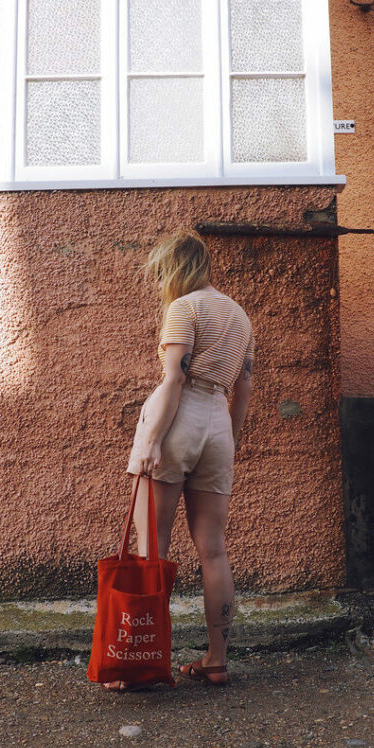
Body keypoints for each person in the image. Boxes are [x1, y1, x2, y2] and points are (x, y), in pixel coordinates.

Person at [105, 231, 253, 691]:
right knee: (213, 548)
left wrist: (150, 441)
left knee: (153, 546)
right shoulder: (240, 316)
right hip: (218, 427)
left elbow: (174, 381)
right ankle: (216, 659)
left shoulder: (184, 309)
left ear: (175, 270)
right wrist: (226, 440)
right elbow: (244, 394)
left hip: (178, 421)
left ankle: (142, 665)